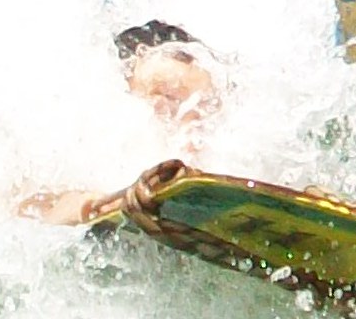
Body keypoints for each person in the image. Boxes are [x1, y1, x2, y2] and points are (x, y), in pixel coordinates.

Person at [18, 20, 222, 225]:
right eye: (168, 100)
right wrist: (98, 207)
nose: (192, 130)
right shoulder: (64, 158)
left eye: (205, 110)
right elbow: (30, 210)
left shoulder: (219, 167)